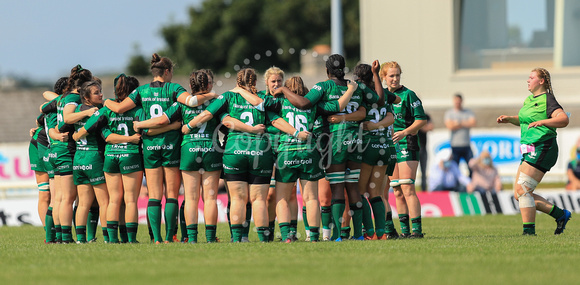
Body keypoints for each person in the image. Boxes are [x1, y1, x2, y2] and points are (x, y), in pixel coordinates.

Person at [104, 54, 217, 243]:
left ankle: (156, 238)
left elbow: (119, 109)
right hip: (171, 145)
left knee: (154, 195)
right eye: (171, 71)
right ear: (167, 71)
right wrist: (212, 94)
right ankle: (169, 237)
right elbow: (191, 102)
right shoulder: (174, 89)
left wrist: (106, 102)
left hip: (150, 146)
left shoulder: (140, 91)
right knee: (171, 195)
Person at [496, 67, 571, 235]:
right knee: (519, 193)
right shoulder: (529, 100)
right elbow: (526, 120)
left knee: (523, 190)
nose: (527, 80)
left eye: (531, 77)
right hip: (530, 148)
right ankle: (560, 215)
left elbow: (563, 119)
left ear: (541, 81)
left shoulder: (548, 99)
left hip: (543, 146)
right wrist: (510, 119)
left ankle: (529, 233)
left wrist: (544, 122)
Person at [74, 74, 144, 243]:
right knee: (130, 199)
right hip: (130, 155)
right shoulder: (139, 109)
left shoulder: (106, 109)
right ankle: (131, 239)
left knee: (113, 199)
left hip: (111, 156)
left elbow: (91, 127)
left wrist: (77, 135)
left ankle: (112, 239)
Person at [381, 61, 428, 238]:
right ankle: (404, 231)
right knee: (397, 191)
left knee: (407, 187)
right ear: (383, 78)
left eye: (397, 75)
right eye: (391, 75)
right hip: (390, 146)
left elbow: (421, 120)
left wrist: (405, 132)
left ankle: (416, 231)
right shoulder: (382, 96)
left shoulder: (409, 95)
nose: (395, 78)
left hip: (407, 143)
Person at [50, 65, 96, 243]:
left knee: (60, 197)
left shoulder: (63, 97)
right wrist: (87, 112)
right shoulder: (74, 98)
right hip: (67, 151)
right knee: (67, 198)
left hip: (57, 150)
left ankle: (61, 236)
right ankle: (66, 236)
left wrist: (54, 133)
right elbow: (68, 118)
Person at [70, 80, 108, 243]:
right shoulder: (98, 111)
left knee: (83, 203)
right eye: (96, 92)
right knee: (105, 202)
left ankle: (80, 239)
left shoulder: (76, 111)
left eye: (100, 91)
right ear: (86, 97)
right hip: (94, 157)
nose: (100, 94)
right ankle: (109, 238)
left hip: (79, 159)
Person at [444, 93, 476, 176]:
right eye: (456, 101)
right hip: (455, 145)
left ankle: (470, 185)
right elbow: (450, 126)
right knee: (454, 168)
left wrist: (458, 123)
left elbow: (473, 123)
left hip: (466, 145)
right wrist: (465, 123)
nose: (457, 103)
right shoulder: (449, 113)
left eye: (459, 101)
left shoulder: (468, 112)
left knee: (472, 167)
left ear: (462, 101)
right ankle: (455, 186)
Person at [418, 113, 433, 191]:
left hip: (423, 147)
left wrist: (419, 126)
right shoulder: (411, 114)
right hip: (414, 147)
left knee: (424, 171)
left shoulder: (425, 116)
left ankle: (423, 189)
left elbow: (430, 127)